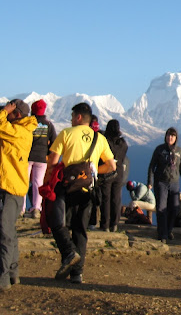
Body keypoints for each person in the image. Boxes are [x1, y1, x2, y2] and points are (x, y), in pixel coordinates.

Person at [44, 102, 116, 284]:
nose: (70, 119)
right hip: (88, 190)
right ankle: (77, 273)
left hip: (67, 187)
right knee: (80, 230)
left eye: (71, 116)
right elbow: (112, 166)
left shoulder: (66, 133)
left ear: (77, 117)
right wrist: (93, 172)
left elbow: (52, 161)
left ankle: (68, 254)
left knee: (57, 221)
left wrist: (47, 183)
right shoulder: (99, 138)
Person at [0, 100, 37, 293]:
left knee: (3, 233)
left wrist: (3, 112)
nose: (5, 115)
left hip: (8, 188)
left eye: (9, 112)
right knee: (8, 232)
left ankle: (0, 277)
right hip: (11, 187)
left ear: (16, 114)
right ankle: (11, 271)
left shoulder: (18, 132)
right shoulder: (18, 132)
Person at [147, 127, 181, 244]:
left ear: (176, 138)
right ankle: (162, 233)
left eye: (172, 136)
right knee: (161, 208)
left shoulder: (179, 152)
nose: (170, 138)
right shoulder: (159, 150)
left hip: (174, 183)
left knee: (174, 208)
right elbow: (152, 166)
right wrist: (150, 181)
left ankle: (169, 229)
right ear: (165, 137)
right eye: (168, 135)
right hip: (161, 182)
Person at [23, 99, 57, 219]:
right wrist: (47, 153)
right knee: (38, 182)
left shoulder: (27, 123)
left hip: (27, 156)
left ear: (32, 110)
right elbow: (54, 142)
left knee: (24, 181)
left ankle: (21, 209)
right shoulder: (48, 125)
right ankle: (36, 208)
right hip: (42, 157)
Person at [99, 120, 128, 232]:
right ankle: (114, 223)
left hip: (107, 172)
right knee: (116, 198)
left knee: (106, 199)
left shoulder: (105, 142)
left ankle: (105, 224)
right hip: (119, 172)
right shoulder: (123, 143)